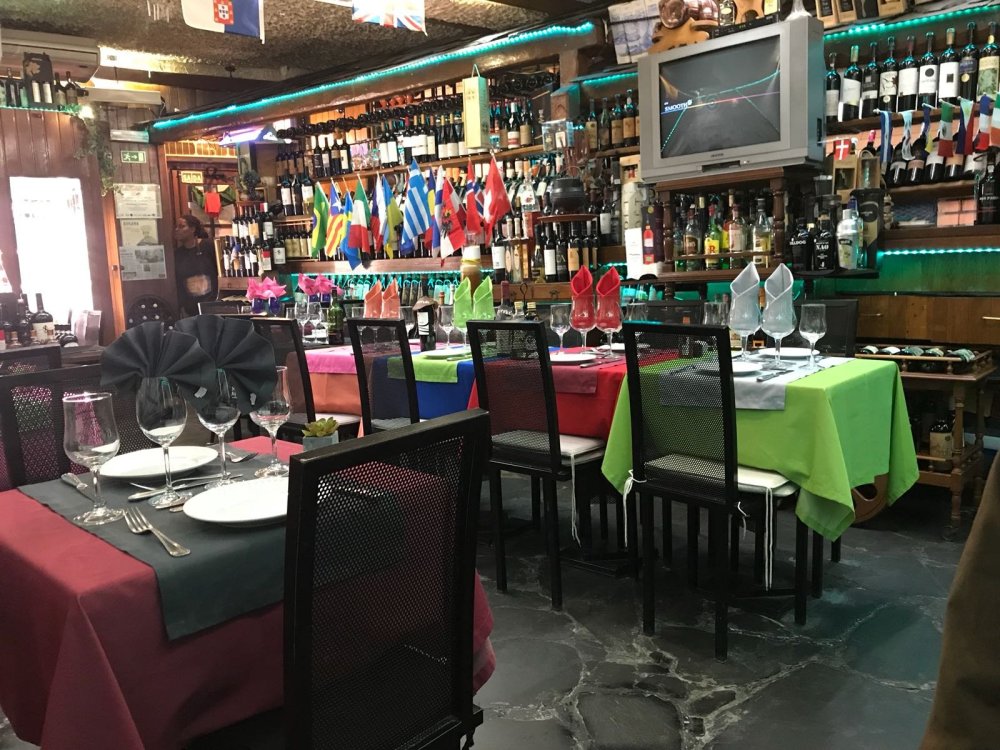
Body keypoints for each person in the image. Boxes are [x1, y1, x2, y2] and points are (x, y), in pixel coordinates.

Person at [174, 214, 217, 317]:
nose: (177, 230)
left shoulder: (209, 246)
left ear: (193, 229)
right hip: (191, 308)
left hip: (213, 304)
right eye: (176, 227)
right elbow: (179, 282)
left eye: (181, 226)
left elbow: (219, 272)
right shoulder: (178, 254)